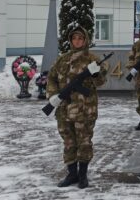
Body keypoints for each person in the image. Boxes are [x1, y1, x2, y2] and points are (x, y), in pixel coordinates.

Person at [46, 26, 107, 189]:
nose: (77, 41)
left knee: (84, 142)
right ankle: (71, 174)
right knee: (68, 143)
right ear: (70, 40)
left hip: (84, 110)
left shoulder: (92, 59)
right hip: (64, 110)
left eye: (80, 38)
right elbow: (51, 78)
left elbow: (102, 82)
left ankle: (82, 175)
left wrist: (95, 74)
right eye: (74, 38)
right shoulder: (62, 59)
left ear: (85, 40)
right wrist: (53, 95)